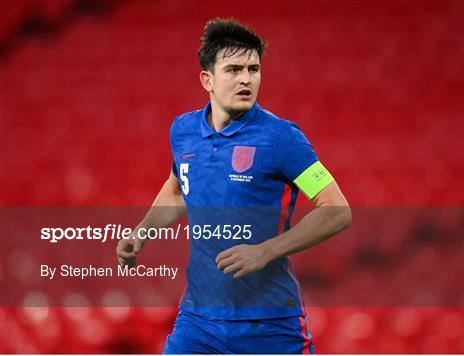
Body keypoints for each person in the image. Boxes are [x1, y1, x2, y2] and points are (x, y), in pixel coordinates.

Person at [116, 18, 351, 354]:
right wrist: (142, 232)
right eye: (234, 69)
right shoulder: (183, 131)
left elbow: (337, 210)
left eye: (253, 69)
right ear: (207, 79)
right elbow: (178, 187)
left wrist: (265, 251)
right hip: (198, 321)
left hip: (268, 325)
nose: (246, 78)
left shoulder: (282, 138)